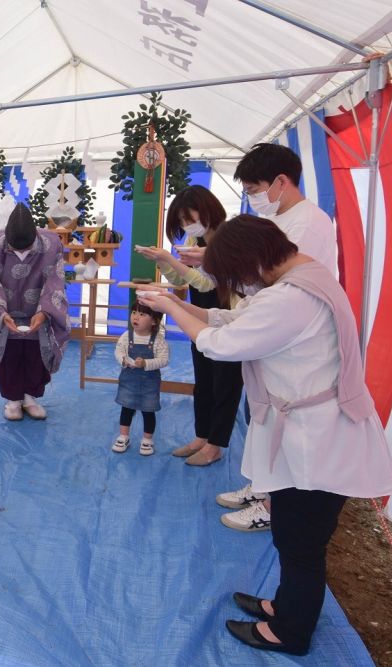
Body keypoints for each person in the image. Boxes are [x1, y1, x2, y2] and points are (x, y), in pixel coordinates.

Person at [138, 215, 392, 656]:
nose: (240, 283)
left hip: (319, 441)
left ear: (252, 260)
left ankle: (291, 632)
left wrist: (170, 308)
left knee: (300, 544)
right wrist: (180, 302)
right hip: (309, 434)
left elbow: (221, 344)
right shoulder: (302, 273)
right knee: (293, 537)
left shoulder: (291, 298)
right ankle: (285, 606)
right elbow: (230, 318)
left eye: (237, 273)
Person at [199, 144, 340, 531]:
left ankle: (273, 503)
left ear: (281, 181)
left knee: (280, 424)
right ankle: (264, 488)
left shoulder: (306, 224)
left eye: (254, 187)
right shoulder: (283, 218)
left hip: (289, 339)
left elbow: (277, 284)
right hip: (268, 328)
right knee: (261, 416)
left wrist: (222, 314)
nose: (252, 197)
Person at [135, 185, 243, 467]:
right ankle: (202, 435)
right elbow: (184, 280)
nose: (186, 225)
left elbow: (207, 282)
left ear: (207, 208)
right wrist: (163, 261)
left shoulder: (229, 241)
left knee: (225, 383)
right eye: (181, 222)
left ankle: (215, 444)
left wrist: (170, 259)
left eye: (188, 218)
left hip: (227, 320)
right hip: (199, 318)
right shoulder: (197, 244)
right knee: (204, 381)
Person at [0, 203, 71, 420]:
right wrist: (0, 313)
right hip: (6, 312)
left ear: (35, 237)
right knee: (9, 356)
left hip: (38, 310)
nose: (21, 252)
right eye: (15, 248)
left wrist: (45, 312)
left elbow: (55, 282)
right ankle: (12, 401)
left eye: (26, 248)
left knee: (36, 356)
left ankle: (30, 397)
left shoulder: (52, 244)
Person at [112, 302, 169, 455]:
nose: (136, 317)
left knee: (148, 411)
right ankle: (124, 436)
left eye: (142, 314)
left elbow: (164, 359)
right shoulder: (126, 336)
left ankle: (147, 440)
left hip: (150, 384)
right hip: (128, 382)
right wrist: (123, 360)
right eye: (134, 313)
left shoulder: (158, 340)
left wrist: (146, 363)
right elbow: (118, 351)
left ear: (154, 321)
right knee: (126, 408)